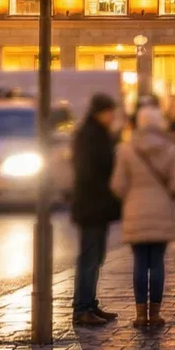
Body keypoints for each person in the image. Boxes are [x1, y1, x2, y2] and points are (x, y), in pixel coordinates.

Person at [109, 105, 175, 328]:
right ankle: (155, 314)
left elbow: (117, 185)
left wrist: (130, 197)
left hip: (135, 210)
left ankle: (140, 315)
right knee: (157, 263)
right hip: (161, 210)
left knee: (140, 263)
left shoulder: (126, 149)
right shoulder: (170, 149)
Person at [68, 92, 122, 327]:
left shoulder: (97, 133)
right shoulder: (90, 135)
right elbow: (90, 171)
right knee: (89, 257)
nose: (113, 116)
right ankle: (82, 308)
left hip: (97, 205)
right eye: (110, 112)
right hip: (91, 205)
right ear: (101, 112)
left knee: (96, 256)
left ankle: (90, 303)